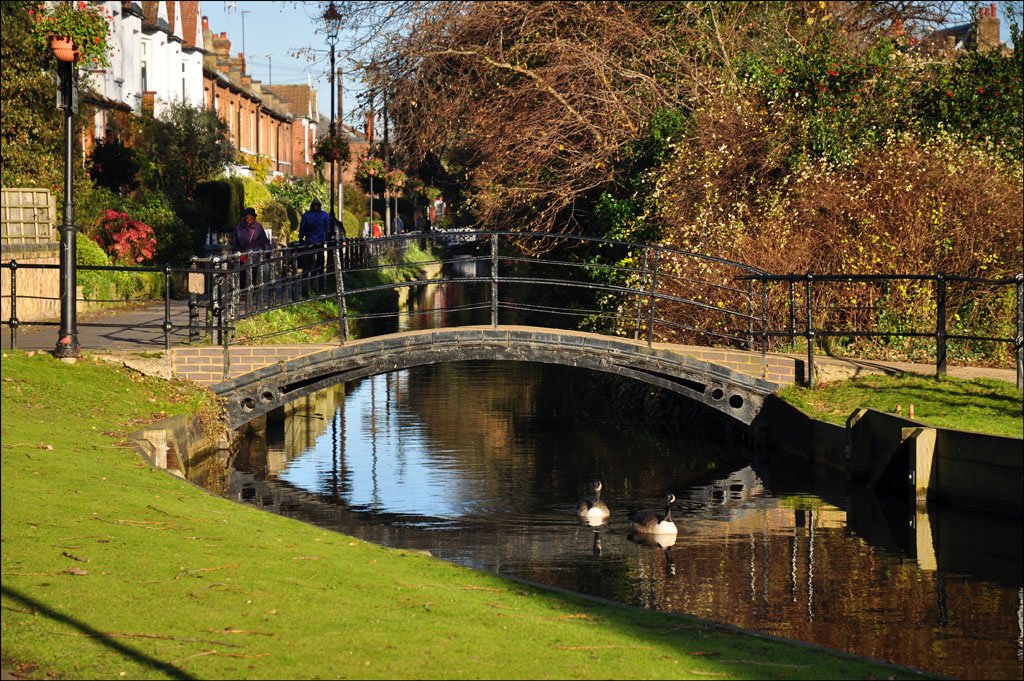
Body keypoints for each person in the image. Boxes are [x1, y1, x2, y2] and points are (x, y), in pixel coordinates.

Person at [231, 207, 271, 288]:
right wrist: (235, 252)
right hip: (241, 258)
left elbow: (264, 241)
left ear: (254, 217)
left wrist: (268, 252)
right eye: (247, 217)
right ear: (244, 217)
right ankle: (243, 295)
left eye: (251, 217)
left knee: (253, 279)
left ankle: (251, 297)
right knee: (242, 279)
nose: (249, 219)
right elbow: (234, 242)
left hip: (254, 258)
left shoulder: (258, 227)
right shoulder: (238, 228)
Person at [298, 199, 331, 292]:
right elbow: (327, 229)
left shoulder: (307, 215)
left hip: (310, 241)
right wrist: (327, 239)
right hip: (320, 241)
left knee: (310, 263)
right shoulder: (324, 215)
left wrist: (301, 238)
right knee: (319, 263)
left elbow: (302, 227)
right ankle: (320, 286)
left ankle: (311, 285)